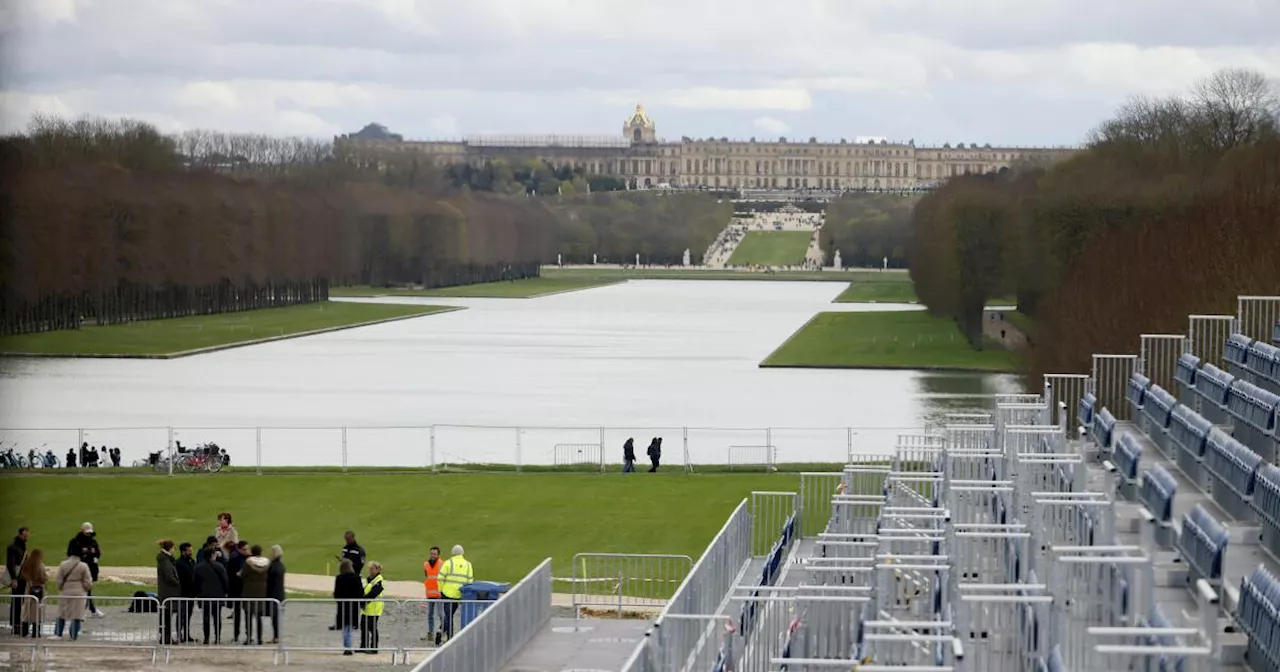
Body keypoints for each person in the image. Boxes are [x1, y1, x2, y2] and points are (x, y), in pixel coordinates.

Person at [51, 551, 92, 640]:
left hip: (66, 590)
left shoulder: (63, 564)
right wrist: (86, 588)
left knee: (61, 613)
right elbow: (88, 581)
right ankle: (73, 635)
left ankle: (58, 633)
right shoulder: (83, 566)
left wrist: (61, 587)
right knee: (77, 614)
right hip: (79, 591)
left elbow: (59, 579)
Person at [436, 545, 473, 645]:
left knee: (448, 616)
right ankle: (444, 634)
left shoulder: (448, 563)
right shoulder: (468, 564)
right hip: (460, 594)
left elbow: (440, 578)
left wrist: (441, 590)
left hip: (447, 593)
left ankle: (447, 635)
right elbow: (470, 581)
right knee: (450, 615)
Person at [330, 531, 365, 631]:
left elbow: (360, 564)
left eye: (348, 539)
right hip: (344, 576)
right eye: (346, 539)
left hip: (354, 577)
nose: (347, 541)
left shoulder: (359, 550)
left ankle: (354, 623)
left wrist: (351, 568)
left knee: (354, 602)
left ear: (353, 538)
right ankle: (339, 623)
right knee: (342, 602)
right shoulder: (345, 548)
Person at [67, 522, 102, 618]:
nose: (88, 535)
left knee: (87, 588)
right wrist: (84, 552)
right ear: (81, 530)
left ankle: (88, 608)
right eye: (87, 533)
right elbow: (71, 554)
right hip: (78, 569)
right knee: (84, 589)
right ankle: (90, 609)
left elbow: (98, 554)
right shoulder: (74, 542)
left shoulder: (93, 542)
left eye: (90, 533)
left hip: (91, 568)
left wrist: (89, 552)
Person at [194, 547, 228, 644]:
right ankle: (217, 638)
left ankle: (206, 638)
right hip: (217, 595)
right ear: (212, 555)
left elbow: (196, 582)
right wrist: (225, 592)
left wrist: (198, 593)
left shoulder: (198, 567)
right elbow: (225, 580)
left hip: (204, 595)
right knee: (217, 618)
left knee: (206, 617)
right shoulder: (219, 566)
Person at [238, 544, 270, 645]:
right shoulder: (266, 563)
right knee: (258, 616)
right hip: (261, 591)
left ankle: (248, 637)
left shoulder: (248, 563)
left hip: (249, 591)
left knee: (248, 616)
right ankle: (259, 638)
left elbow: (243, 575)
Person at [332, 559, 362, 656]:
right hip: (353, 605)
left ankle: (347, 646)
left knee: (345, 626)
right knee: (349, 627)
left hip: (343, 605)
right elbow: (360, 592)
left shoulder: (339, 578)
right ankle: (348, 646)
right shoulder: (356, 577)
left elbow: (336, 593)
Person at [156, 540, 181, 644]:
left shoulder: (165, 560)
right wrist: (178, 582)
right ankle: (166, 637)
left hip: (166, 592)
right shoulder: (166, 561)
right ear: (170, 548)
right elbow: (169, 577)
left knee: (166, 616)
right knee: (167, 616)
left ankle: (166, 636)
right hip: (168, 592)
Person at [19, 548, 46, 638]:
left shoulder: (27, 564)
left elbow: (23, 575)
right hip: (38, 589)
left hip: (29, 589)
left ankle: (24, 631)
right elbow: (43, 578)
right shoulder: (40, 566)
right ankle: (35, 632)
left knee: (27, 611)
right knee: (37, 612)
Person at [7, 526, 29, 635]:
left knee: (19, 601)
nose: (26, 537)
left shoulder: (21, 547)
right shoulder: (13, 548)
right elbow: (10, 564)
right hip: (18, 578)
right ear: (20, 534)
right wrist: (14, 578)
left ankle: (16, 623)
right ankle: (15, 625)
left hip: (22, 578)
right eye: (25, 535)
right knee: (16, 601)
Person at [359, 561, 385, 654]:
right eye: (369, 569)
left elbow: (373, 593)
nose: (370, 570)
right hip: (367, 608)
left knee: (372, 628)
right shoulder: (370, 579)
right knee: (363, 627)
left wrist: (363, 601)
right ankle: (363, 646)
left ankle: (374, 648)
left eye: (372, 569)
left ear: (378, 569)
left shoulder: (379, 580)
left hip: (374, 609)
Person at [175, 542, 197, 642]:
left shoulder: (192, 561)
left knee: (188, 615)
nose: (191, 552)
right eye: (189, 551)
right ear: (183, 551)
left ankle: (187, 634)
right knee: (181, 615)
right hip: (183, 593)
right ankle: (179, 634)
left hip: (191, 593)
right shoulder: (178, 563)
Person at [225, 541, 247, 636]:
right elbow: (232, 574)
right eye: (245, 549)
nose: (247, 551)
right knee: (239, 612)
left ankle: (239, 634)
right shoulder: (236, 557)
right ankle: (238, 634)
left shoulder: (239, 556)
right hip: (238, 589)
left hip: (240, 588)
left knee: (242, 612)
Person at [421, 547, 442, 641]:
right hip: (429, 593)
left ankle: (442, 632)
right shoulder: (426, 564)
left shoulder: (441, 564)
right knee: (430, 614)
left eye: (434, 554)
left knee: (441, 614)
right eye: (431, 554)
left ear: (438, 555)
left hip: (438, 594)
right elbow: (427, 576)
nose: (432, 555)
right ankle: (430, 633)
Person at [265, 545, 285, 643]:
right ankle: (276, 635)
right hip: (279, 592)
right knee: (276, 616)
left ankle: (276, 636)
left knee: (275, 617)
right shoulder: (281, 565)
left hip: (273, 593)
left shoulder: (273, 566)